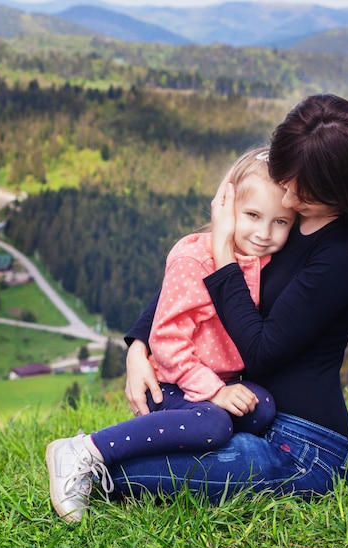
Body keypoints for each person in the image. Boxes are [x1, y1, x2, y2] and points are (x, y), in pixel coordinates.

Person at [47, 93, 348, 521]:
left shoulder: (343, 257)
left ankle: (81, 456)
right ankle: (84, 455)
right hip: (253, 412)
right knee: (194, 437)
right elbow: (190, 279)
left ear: (344, 189)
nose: (289, 197)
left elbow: (260, 349)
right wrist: (139, 345)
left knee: (126, 474)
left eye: (305, 189)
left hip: (307, 448)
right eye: (288, 175)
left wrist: (223, 249)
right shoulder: (287, 215)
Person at [46, 147, 297, 522]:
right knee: (214, 423)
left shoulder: (265, 261)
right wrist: (215, 392)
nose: (264, 233)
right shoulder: (195, 259)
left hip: (216, 381)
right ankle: (85, 451)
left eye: (280, 222)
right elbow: (166, 340)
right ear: (225, 210)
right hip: (173, 380)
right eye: (253, 215)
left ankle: (166, 453)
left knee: (261, 409)